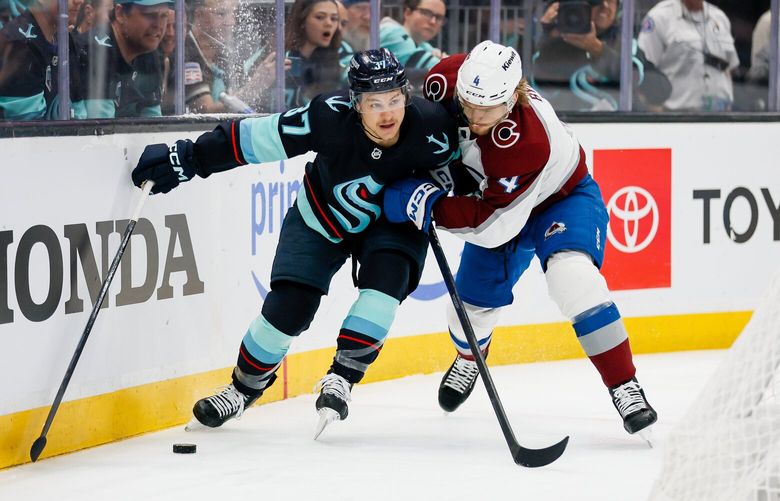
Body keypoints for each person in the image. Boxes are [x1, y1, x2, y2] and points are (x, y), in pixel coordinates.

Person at [130, 49, 461, 437]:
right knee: (289, 306)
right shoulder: (328, 116)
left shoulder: (434, 127)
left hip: (394, 221)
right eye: (374, 103)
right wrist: (190, 157)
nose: (388, 113)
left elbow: (468, 172)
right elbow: (257, 139)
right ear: (356, 103)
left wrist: (433, 187)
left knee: (384, 288)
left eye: (394, 100)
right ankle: (241, 390)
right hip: (320, 215)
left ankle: (342, 378)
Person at [384, 41, 657, 438]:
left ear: (514, 97)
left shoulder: (528, 140)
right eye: (468, 103)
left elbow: (495, 226)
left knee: (574, 279)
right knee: (468, 312)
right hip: (492, 197)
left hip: (559, 199)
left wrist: (428, 204)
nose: (474, 115)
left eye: (487, 108)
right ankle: (469, 356)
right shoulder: (444, 80)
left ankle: (624, 384)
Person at [532, 0, 671, 111]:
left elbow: (660, 91)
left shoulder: (626, 45)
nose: (605, 6)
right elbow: (539, 89)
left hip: (617, 132)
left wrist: (598, 50)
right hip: (566, 129)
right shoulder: (555, 41)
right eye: (596, 1)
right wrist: (549, 38)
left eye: (612, 1)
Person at [72, 0, 171, 118]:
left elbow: (154, 123)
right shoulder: (95, 50)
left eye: (164, 15)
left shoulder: (148, 50)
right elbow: (101, 130)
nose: (158, 24)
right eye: (149, 15)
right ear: (120, 14)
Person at [637, 0, 739, 111]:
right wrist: (661, 121)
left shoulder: (720, 18)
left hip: (722, 117)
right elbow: (642, 75)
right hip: (678, 119)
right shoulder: (659, 17)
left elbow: (728, 70)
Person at [0, 0, 79, 119]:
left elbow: (79, 114)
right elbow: (29, 133)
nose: (79, 1)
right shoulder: (20, 44)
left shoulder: (65, 41)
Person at [380, 0, 447, 88]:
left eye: (439, 17)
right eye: (426, 13)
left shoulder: (423, 45)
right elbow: (443, 69)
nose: (433, 21)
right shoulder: (391, 32)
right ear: (407, 12)